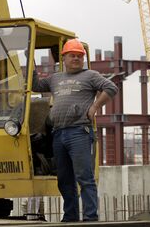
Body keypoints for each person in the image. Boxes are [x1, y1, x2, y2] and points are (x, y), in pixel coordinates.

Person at [32, 38, 118, 222]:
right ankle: (70, 216)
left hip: (79, 132)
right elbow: (35, 86)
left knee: (84, 177)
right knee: (64, 179)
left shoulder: (90, 76)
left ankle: (90, 218)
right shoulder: (55, 78)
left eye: (80, 56)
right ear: (64, 57)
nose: (76, 59)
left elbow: (111, 87)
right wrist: (30, 65)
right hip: (58, 133)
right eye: (73, 55)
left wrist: (95, 107)